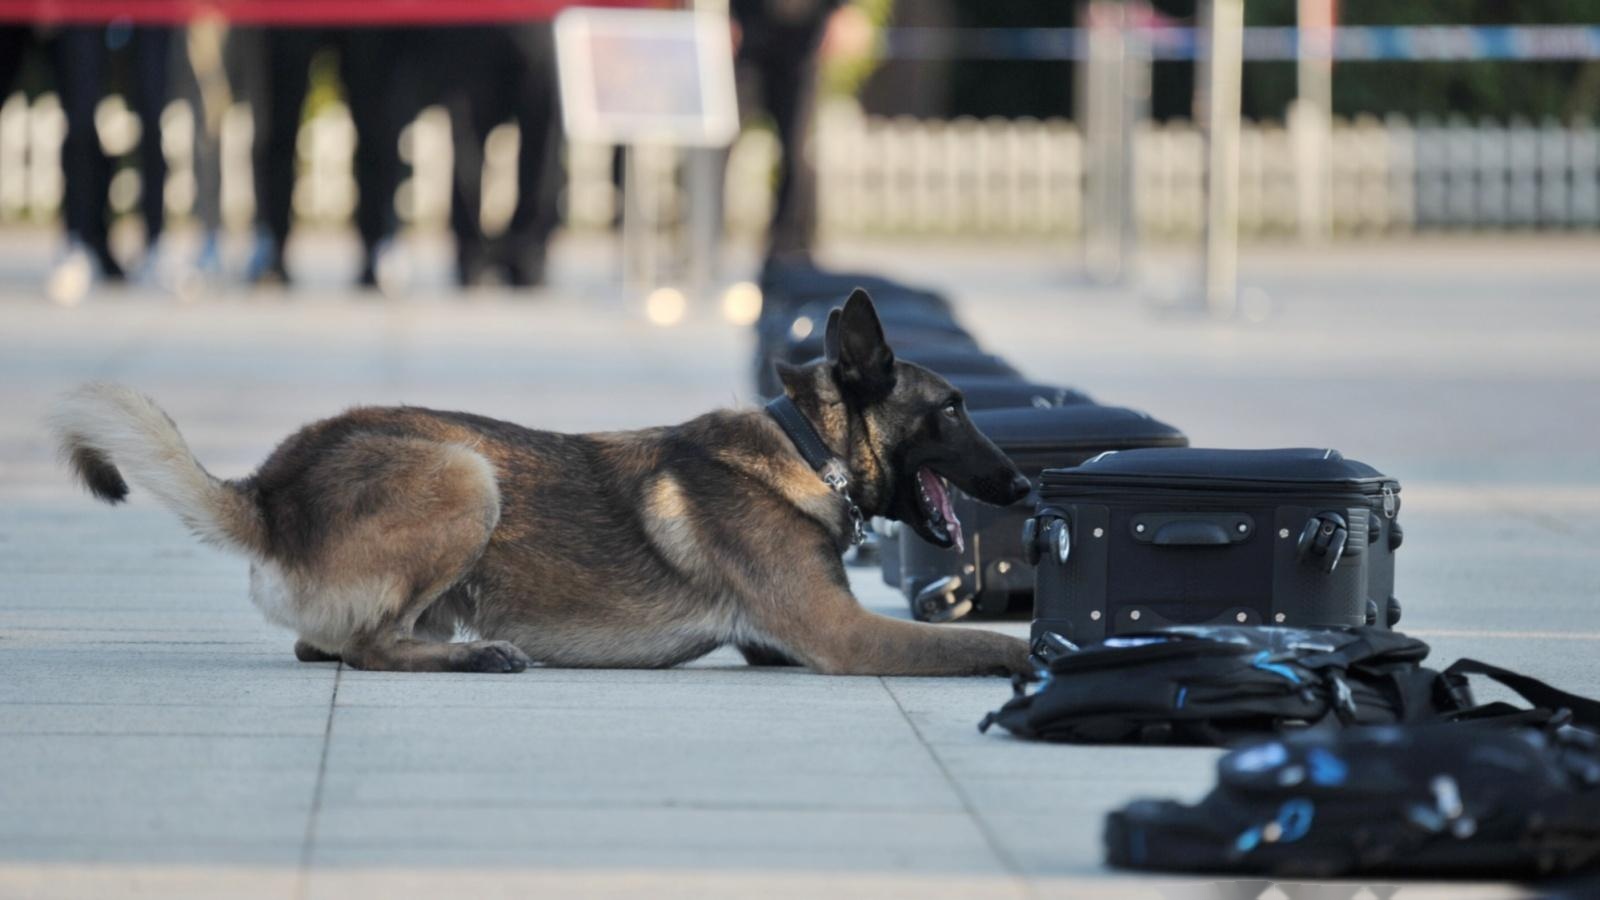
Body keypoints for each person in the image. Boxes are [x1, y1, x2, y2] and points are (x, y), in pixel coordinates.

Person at [244, 27, 411, 288]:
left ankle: (378, 246)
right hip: (295, 16)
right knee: (279, 124)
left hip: (362, 18)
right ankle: (272, 246)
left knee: (376, 127)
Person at [729, 0, 870, 270]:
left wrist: (842, 11)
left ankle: (790, 249)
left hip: (803, 34)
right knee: (718, 140)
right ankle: (703, 239)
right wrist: (724, 15)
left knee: (796, 147)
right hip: (747, 29)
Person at [438, 22, 563, 288]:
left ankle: (527, 251)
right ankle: (472, 252)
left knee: (541, 138)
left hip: (535, 23)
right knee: (467, 135)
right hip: (473, 25)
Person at [50, 23, 173, 284]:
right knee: (81, 119)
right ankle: (80, 239)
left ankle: (155, 242)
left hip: (149, 14)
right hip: (86, 13)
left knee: (153, 115)